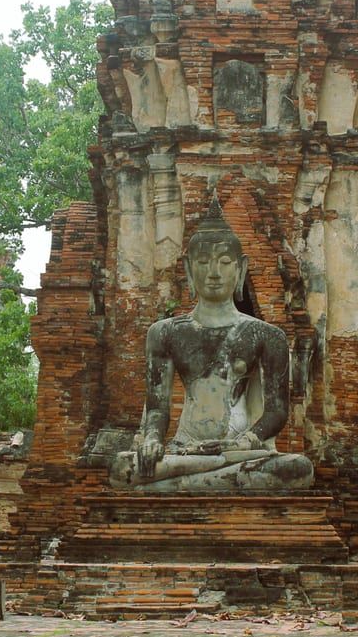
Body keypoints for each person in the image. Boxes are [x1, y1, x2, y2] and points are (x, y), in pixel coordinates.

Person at [109, 200, 312, 493]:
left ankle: (182, 484)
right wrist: (153, 440)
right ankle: (209, 479)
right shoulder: (164, 333)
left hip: (239, 450)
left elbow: (276, 412)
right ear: (189, 270)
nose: (213, 272)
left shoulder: (267, 336)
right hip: (184, 448)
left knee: (296, 468)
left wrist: (243, 442)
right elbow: (157, 408)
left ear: (240, 269)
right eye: (203, 262)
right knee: (122, 468)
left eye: (224, 262)